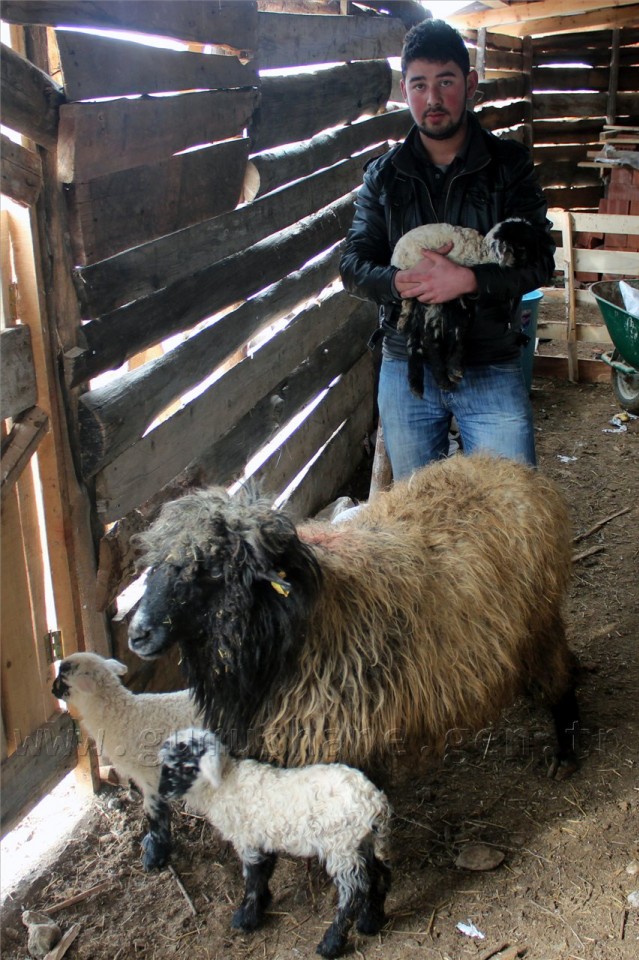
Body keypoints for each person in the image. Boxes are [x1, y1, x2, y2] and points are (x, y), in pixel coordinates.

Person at [339, 19, 555, 480]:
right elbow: (353, 265)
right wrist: (400, 281)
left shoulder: (508, 167)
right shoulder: (384, 176)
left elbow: (540, 261)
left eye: (445, 82)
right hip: (406, 368)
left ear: (470, 84)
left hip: (490, 362)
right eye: (420, 85)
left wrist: (470, 280)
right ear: (405, 90)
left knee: (511, 513)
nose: (432, 98)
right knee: (420, 527)